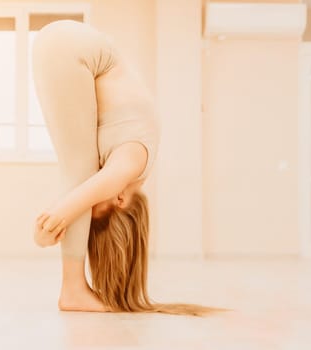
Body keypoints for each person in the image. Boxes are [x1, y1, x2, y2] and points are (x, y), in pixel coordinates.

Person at [32, 20, 216, 315]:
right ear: (119, 200)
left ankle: (74, 289)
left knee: (80, 170)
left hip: (62, 44)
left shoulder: (130, 156)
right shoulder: (134, 162)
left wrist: (55, 222)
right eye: (96, 209)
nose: (88, 206)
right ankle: (73, 289)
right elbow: (81, 189)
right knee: (80, 174)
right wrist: (51, 224)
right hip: (70, 49)